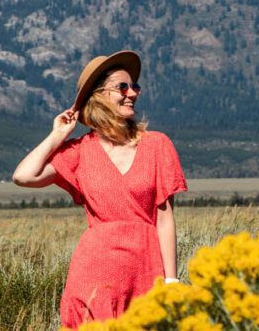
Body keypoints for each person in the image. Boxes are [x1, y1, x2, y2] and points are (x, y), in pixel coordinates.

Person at [12, 50, 187, 327]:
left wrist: (171, 279)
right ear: (100, 95)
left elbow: (165, 218)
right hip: (93, 275)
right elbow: (23, 176)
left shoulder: (157, 145)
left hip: (145, 271)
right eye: (123, 86)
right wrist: (57, 135)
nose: (133, 93)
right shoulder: (80, 151)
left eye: (135, 86)